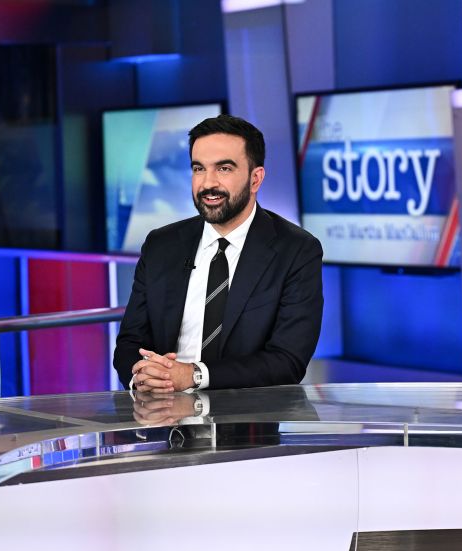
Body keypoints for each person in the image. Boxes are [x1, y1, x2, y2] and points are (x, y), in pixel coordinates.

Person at [113, 115, 323, 394]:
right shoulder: (161, 245)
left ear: (255, 178)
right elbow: (129, 343)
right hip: (163, 421)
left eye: (224, 168)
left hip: (248, 426)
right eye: (199, 169)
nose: (207, 183)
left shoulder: (296, 250)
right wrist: (142, 375)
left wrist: (194, 375)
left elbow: (287, 361)